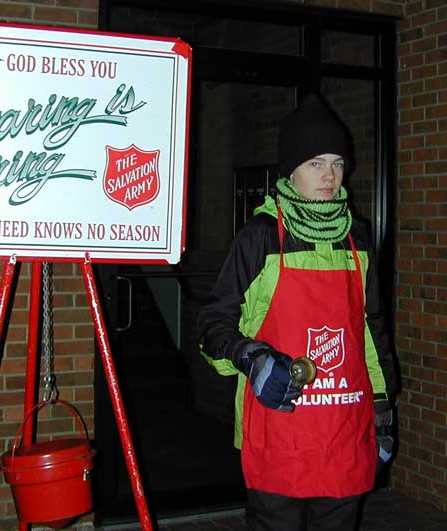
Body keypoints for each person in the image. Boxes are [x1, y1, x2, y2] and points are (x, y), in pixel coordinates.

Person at [197, 93, 398, 531]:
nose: (330, 175)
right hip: (279, 432)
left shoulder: (356, 238)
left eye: (337, 163)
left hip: (345, 429)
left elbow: (372, 329)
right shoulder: (261, 238)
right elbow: (213, 323)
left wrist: (382, 407)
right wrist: (249, 356)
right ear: (290, 170)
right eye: (315, 163)